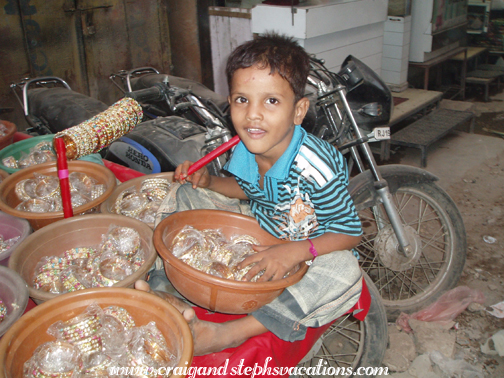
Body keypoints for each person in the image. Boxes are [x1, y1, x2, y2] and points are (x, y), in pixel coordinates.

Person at [135, 33, 363, 356]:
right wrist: (208, 183)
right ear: (230, 103)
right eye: (243, 100)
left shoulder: (315, 166)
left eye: (271, 101)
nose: (253, 115)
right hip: (260, 232)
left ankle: (229, 333)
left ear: (298, 111)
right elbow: (247, 188)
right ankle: (165, 288)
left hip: (310, 256)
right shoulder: (246, 145)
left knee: (346, 272)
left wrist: (294, 252)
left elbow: (350, 233)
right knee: (184, 194)